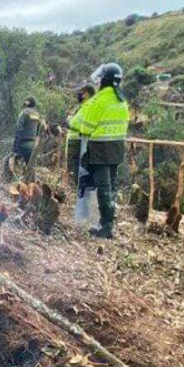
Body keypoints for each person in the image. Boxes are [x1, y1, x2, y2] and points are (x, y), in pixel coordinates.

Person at [75, 63, 130, 239]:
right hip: (116, 148)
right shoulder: (122, 101)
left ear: (104, 80)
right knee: (112, 186)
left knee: (103, 187)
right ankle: (108, 223)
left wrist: (74, 123)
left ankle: (105, 227)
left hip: (100, 150)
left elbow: (85, 128)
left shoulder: (99, 101)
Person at [65, 84, 96, 184]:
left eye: (81, 93)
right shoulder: (89, 106)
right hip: (80, 142)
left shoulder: (87, 106)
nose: (79, 95)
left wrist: (69, 120)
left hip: (77, 143)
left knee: (76, 172)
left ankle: (80, 196)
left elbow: (75, 124)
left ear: (86, 94)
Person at [13, 97, 45, 166]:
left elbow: (18, 128)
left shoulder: (24, 113)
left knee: (11, 159)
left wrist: (15, 147)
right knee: (31, 167)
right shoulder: (37, 115)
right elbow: (39, 130)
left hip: (23, 144)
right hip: (33, 145)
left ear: (26, 103)